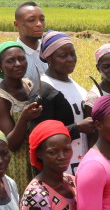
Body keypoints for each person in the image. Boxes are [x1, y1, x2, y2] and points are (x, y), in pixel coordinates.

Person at [0, 41, 43, 192]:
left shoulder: (29, 85)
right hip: (18, 163)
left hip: (36, 157)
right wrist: (24, 118)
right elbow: (11, 144)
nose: (18, 64)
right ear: (0, 66)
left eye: (21, 58)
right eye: (10, 61)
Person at [40, 31, 94, 175]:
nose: (70, 59)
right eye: (63, 56)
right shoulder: (44, 89)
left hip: (81, 160)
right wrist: (77, 128)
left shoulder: (73, 84)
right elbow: (41, 135)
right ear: (49, 59)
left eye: (72, 54)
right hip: (60, 165)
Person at [12, 1, 47, 87]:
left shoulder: (50, 52)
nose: (39, 24)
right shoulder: (10, 58)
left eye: (42, 19)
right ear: (17, 24)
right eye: (31, 20)